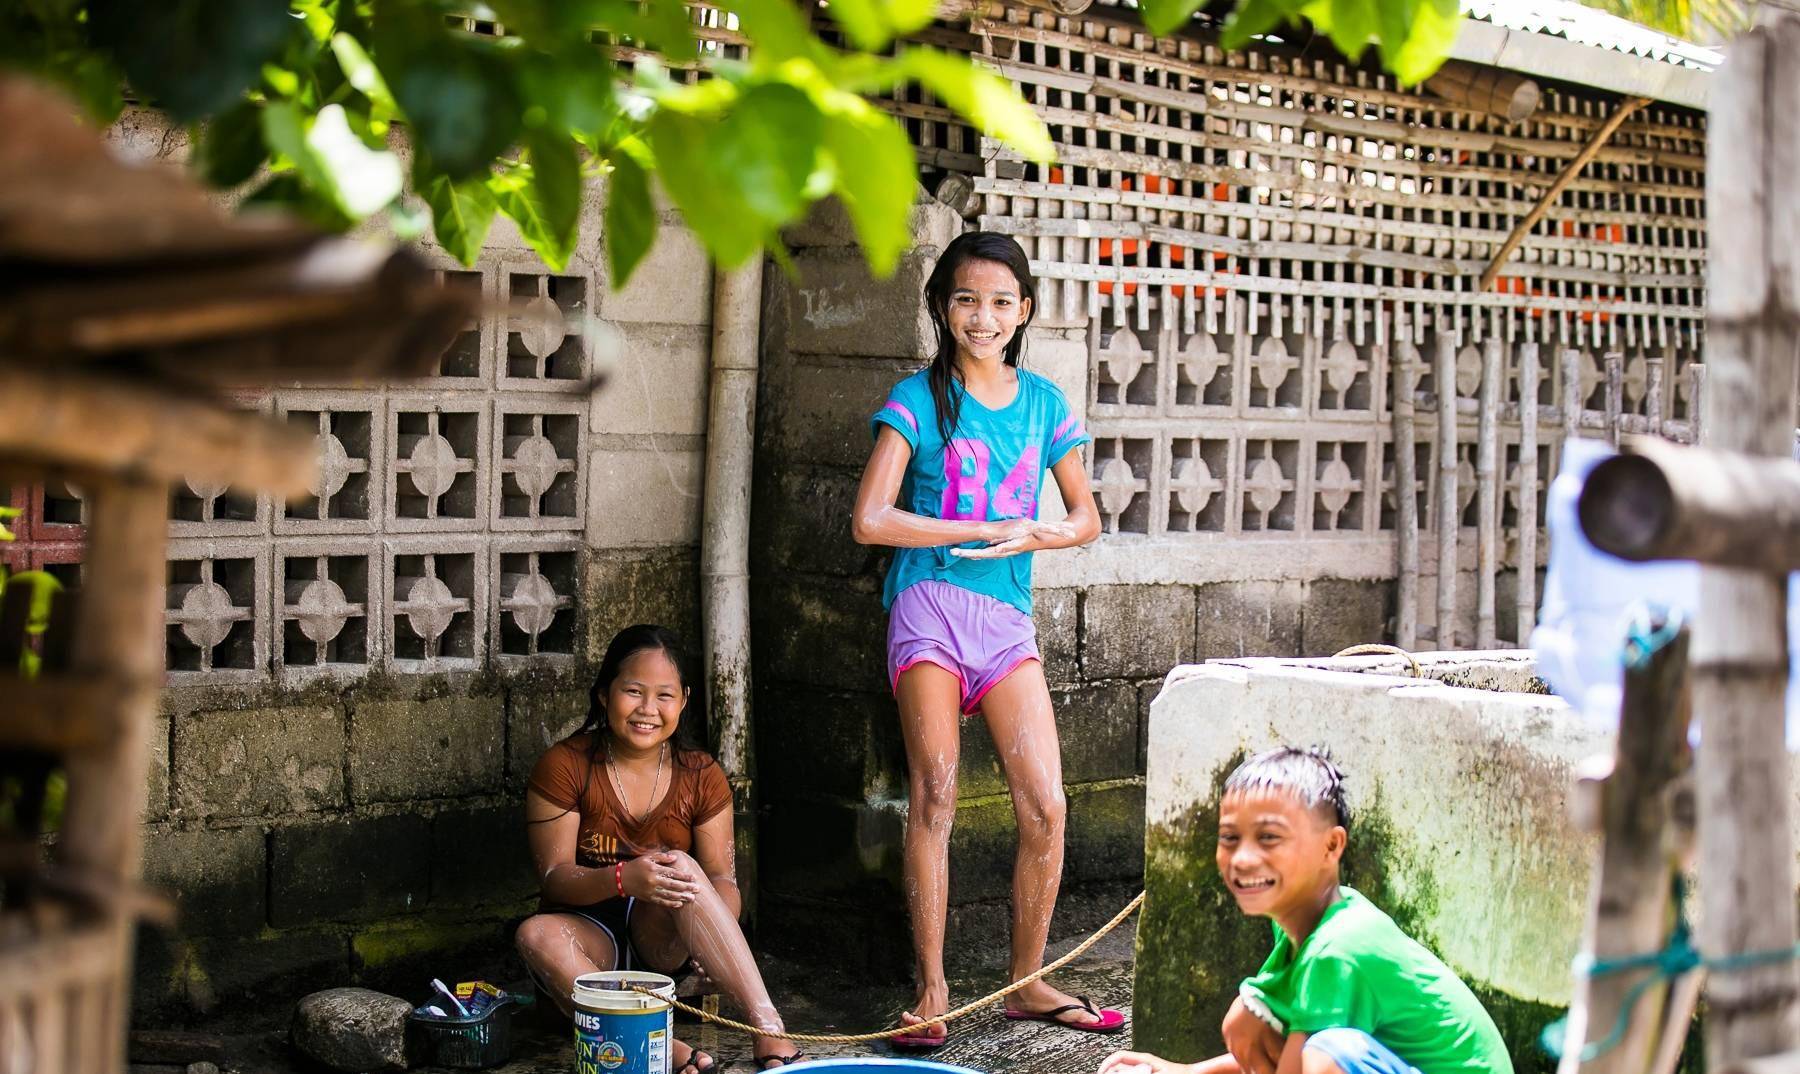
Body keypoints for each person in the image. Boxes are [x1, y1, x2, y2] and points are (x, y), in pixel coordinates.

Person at [851, 230, 1117, 1046]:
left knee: (1047, 806)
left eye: (1002, 301)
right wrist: (973, 523)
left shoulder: (1043, 404)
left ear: (1025, 311)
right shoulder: (915, 399)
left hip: (1004, 621)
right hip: (927, 604)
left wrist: (1034, 534)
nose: (984, 316)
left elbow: (1086, 519)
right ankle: (931, 989)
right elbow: (869, 519)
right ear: (941, 305)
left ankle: (1026, 985)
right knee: (935, 791)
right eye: (967, 299)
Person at [1098, 747, 1513, 1074]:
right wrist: (1185, 1071)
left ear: (1331, 846)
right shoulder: (1302, 927)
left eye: (1269, 838)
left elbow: (1306, 1064)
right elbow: (1277, 1051)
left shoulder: (1339, 948)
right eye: (1230, 837)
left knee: (1330, 1051)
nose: (1242, 858)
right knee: (1257, 1019)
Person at [516, 624, 806, 1072]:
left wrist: (711, 939)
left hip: (662, 941)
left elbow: (723, 881)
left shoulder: (701, 775)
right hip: (587, 934)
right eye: (633, 691)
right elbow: (554, 876)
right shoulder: (565, 765)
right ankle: (665, 1050)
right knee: (532, 934)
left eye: (664, 696)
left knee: (681, 866)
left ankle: (767, 1029)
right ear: (604, 694)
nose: (648, 710)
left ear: (684, 700)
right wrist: (622, 878)